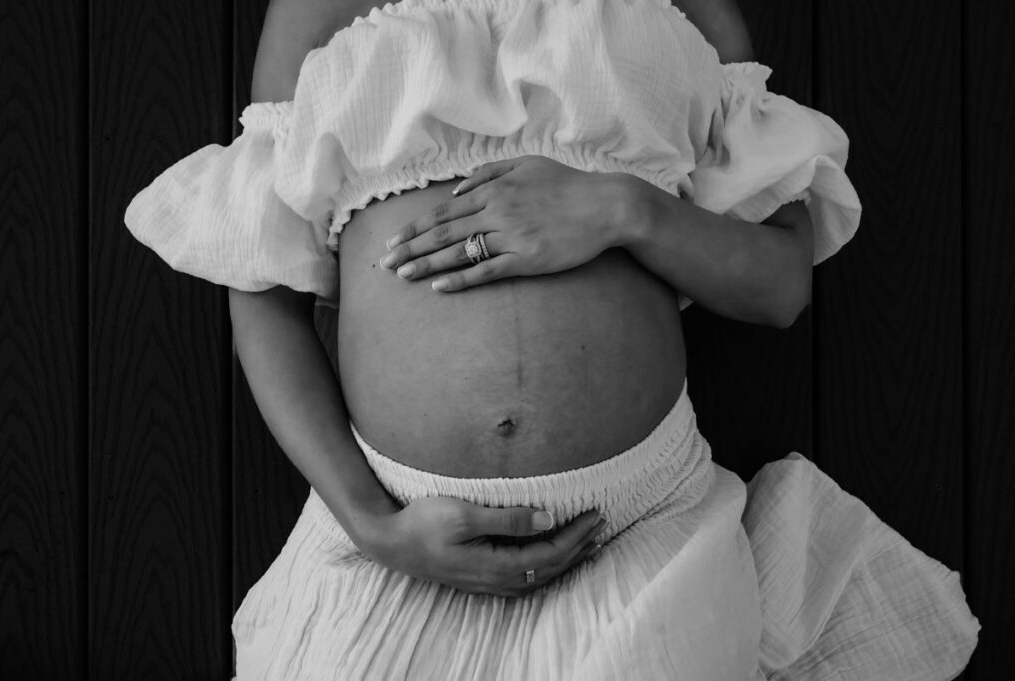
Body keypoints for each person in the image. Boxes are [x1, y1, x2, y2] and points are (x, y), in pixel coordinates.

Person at [125, 0, 980, 678]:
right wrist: (373, 523)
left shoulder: (687, 9)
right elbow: (261, 296)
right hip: (398, 536)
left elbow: (781, 285)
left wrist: (623, 211)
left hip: (638, 533)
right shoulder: (316, 11)